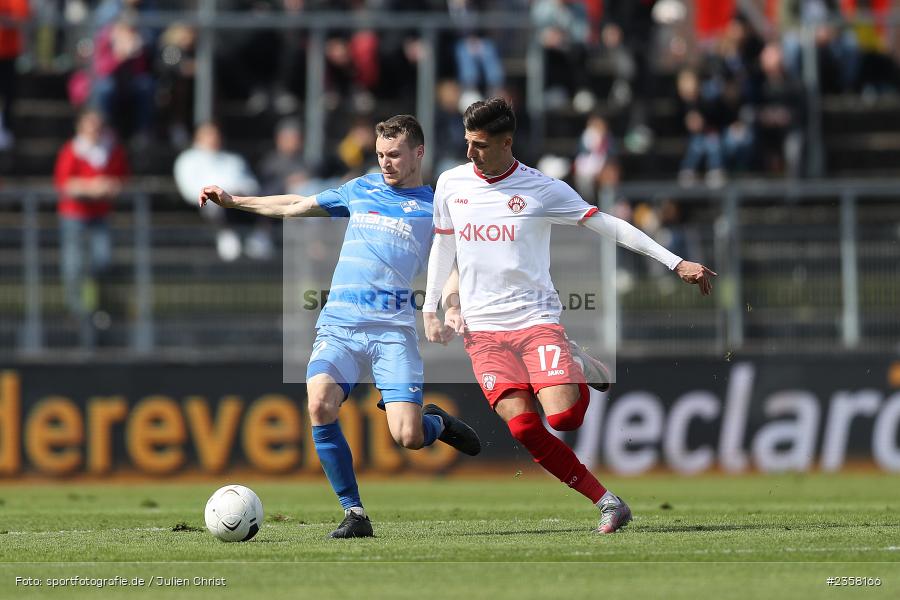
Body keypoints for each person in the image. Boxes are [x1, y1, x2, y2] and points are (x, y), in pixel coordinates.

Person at [422, 98, 715, 534]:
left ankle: (577, 363)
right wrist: (433, 305)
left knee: (564, 419)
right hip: (482, 333)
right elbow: (444, 245)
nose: (470, 153)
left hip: (535, 321)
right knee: (523, 427)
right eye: (467, 142)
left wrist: (674, 262)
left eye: (479, 145)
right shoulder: (450, 183)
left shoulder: (542, 189)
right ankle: (608, 501)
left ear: (506, 142)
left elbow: (611, 226)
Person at [199, 115, 481, 539]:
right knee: (319, 404)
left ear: (418, 153)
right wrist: (235, 201)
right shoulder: (361, 188)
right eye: (380, 155)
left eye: (394, 155)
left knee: (407, 435)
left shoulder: (434, 205)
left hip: (392, 332)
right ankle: (355, 513)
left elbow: (455, 264)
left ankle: (435, 423)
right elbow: (296, 205)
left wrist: (452, 306)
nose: (385, 163)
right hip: (341, 325)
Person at [53, 108, 129, 344]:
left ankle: (99, 309)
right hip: (74, 215)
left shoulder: (110, 150)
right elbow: (65, 184)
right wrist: (90, 187)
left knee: (102, 260)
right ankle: (77, 312)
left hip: (100, 215)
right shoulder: (72, 150)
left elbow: (121, 179)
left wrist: (108, 187)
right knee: (73, 264)